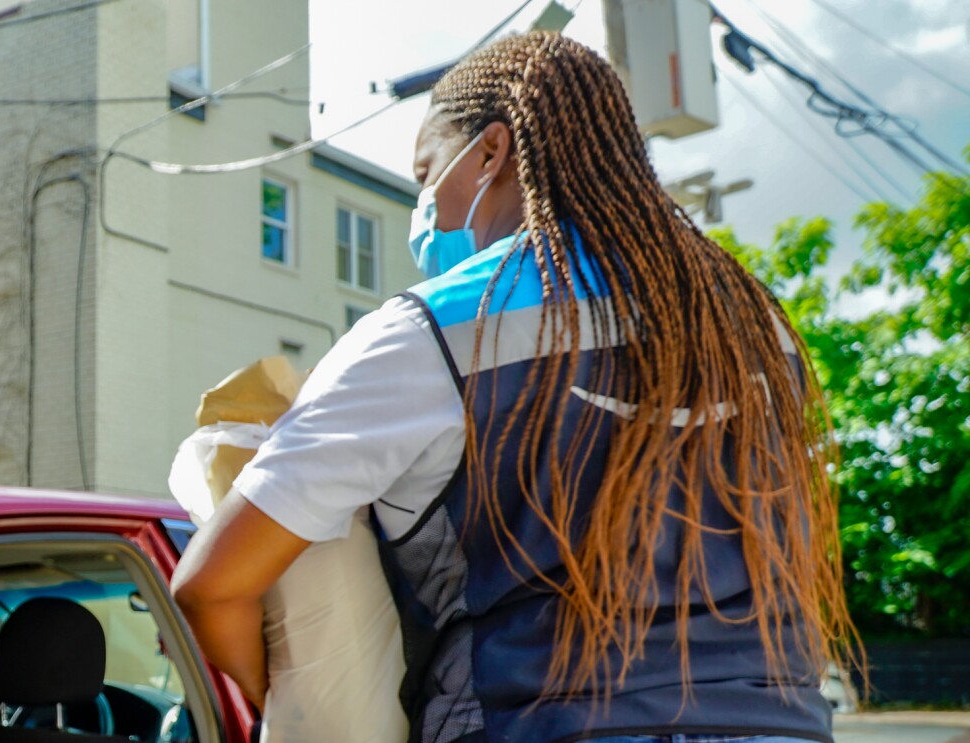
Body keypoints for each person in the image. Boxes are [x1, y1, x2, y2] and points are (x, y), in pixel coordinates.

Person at [172, 31, 857, 743]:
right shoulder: (752, 325)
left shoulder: (433, 332)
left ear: (492, 152)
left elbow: (212, 584)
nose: (426, 210)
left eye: (425, 174)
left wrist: (318, 704)